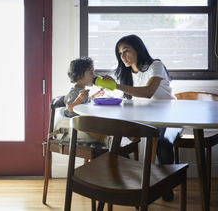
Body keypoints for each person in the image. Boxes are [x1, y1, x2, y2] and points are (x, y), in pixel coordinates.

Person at [103, 34, 179, 202]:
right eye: (120, 53)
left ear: (138, 49)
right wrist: (105, 92)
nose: (123, 56)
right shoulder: (127, 74)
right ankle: (135, 181)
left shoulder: (155, 65)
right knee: (113, 142)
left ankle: (166, 187)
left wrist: (116, 85)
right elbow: (128, 100)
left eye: (126, 51)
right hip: (145, 120)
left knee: (164, 145)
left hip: (171, 117)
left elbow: (148, 92)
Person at [63, 57, 105, 143]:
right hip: (77, 122)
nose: (94, 76)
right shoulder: (74, 92)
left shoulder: (82, 91)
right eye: (91, 73)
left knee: (101, 121)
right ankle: (107, 140)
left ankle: (109, 138)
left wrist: (95, 95)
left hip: (83, 120)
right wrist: (79, 99)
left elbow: (86, 101)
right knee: (97, 127)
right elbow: (70, 108)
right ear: (80, 76)